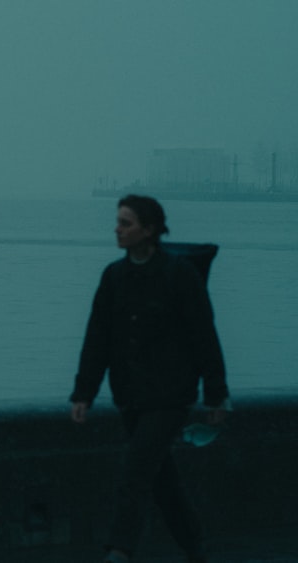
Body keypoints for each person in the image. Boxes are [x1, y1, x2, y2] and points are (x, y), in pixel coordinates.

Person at [69, 195, 230, 563]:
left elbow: (204, 336)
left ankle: (119, 550)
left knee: (136, 472)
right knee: (161, 481)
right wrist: (84, 393)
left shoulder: (179, 275)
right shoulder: (114, 277)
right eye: (118, 221)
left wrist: (215, 395)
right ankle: (194, 547)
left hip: (170, 396)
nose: (117, 229)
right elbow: (98, 338)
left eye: (126, 223)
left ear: (150, 230)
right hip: (130, 395)